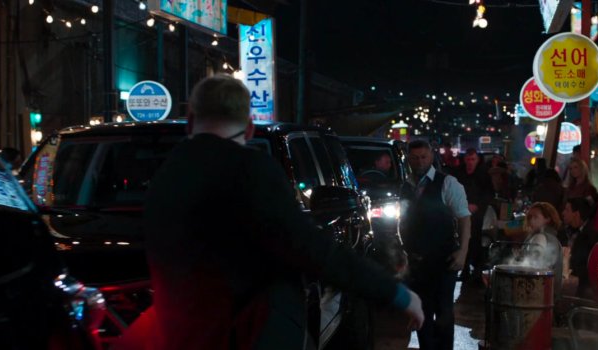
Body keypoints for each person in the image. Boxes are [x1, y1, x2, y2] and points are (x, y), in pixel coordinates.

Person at [141, 75, 423, 350]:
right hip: (250, 334)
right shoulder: (251, 169)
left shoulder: (165, 176)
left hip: (178, 334)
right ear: (249, 128)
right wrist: (396, 294)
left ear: (190, 122)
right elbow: (310, 248)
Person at [401, 139, 471, 350]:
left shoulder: (448, 183)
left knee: (443, 310)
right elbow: (403, 219)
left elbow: (464, 218)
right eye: (415, 158)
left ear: (431, 157)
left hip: (443, 259)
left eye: (423, 157)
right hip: (417, 262)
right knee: (421, 311)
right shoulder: (406, 186)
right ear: (408, 159)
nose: (419, 161)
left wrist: (463, 252)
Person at [452, 148, 491, 283]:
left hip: (476, 213)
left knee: (475, 239)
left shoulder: (483, 174)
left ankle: (477, 270)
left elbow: (487, 194)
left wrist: (477, 205)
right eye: (468, 159)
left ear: (477, 160)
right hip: (462, 212)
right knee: (463, 238)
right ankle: (465, 268)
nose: (470, 162)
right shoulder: (459, 173)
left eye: (472, 159)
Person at [521, 202, 564, 302]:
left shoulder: (540, 237)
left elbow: (532, 267)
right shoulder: (554, 239)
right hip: (550, 296)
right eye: (530, 217)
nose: (531, 220)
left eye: (536, 217)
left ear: (547, 219)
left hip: (538, 297)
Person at [561, 198, 596, 298]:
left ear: (576, 214)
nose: (563, 213)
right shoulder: (570, 231)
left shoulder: (589, 236)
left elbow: (580, 266)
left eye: (567, 210)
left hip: (582, 290)